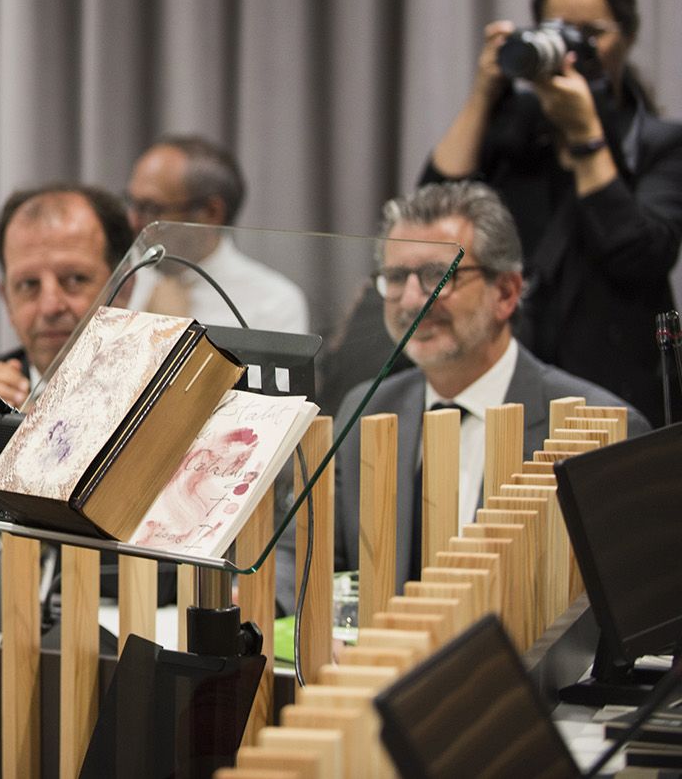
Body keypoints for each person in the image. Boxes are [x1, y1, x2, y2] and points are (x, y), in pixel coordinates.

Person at [276, 182, 650, 604]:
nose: (413, 300)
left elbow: (625, 604)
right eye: (397, 277)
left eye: (439, 275)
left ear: (506, 293)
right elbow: (301, 551)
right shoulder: (369, 408)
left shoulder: (598, 425)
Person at [425, 0, 682, 426]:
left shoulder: (659, 144)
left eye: (592, 34)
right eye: (556, 28)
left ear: (627, 37)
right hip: (509, 379)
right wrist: (485, 91)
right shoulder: (515, 128)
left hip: (618, 387)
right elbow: (434, 212)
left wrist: (586, 136)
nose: (572, 47)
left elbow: (639, 256)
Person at [0, 184, 135, 494]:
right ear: (6, 299)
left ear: (124, 287)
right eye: (29, 284)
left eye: (74, 279)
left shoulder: (175, 391)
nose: (50, 306)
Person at [123, 135, 310, 333]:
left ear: (211, 213)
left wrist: (169, 329)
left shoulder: (274, 303)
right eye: (130, 203)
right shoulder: (121, 276)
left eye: (151, 208)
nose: (133, 221)